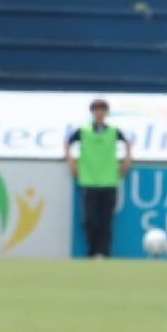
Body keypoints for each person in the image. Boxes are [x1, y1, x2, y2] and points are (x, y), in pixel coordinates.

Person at [64, 99, 133, 258]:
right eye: (96, 110)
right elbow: (68, 143)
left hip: (109, 181)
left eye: (102, 110)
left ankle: (105, 253)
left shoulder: (114, 131)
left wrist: (127, 162)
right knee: (90, 220)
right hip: (89, 180)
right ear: (92, 112)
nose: (99, 113)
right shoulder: (84, 131)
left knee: (106, 221)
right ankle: (92, 251)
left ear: (106, 113)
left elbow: (128, 145)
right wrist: (71, 162)